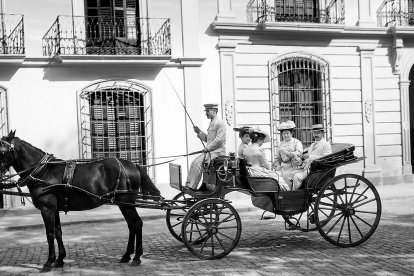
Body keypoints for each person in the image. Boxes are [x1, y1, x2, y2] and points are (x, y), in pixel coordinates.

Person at [184, 103, 226, 191]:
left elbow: (219, 140)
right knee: (194, 162)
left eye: (208, 111)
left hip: (217, 152)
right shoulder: (212, 122)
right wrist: (199, 132)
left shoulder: (220, 122)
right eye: (206, 111)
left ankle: (191, 186)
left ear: (214, 111)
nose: (206, 113)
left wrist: (207, 148)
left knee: (197, 163)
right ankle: (189, 185)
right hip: (211, 151)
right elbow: (208, 139)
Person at [292, 124, 332, 190]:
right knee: (289, 174)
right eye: (314, 133)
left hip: (317, 170)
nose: (316, 135)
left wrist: (310, 156)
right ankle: (290, 195)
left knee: (297, 177)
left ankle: (298, 197)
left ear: (322, 133)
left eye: (318, 133)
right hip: (307, 168)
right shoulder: (312, 145)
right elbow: (308, 159)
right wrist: (301, 162)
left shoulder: (326, 145)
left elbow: (326, 159)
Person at [273, 120, 303, 190]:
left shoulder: (296, 142)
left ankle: (290, 195)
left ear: (291, 133)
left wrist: (287, 153)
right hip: (283, 168)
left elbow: (299, 154)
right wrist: (276, 164)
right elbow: (277, 158)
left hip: (294, 168)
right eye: (284, 134)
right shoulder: (280, 144)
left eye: (287, 133)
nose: (285, 135)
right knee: (275, 176)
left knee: (286, 176)